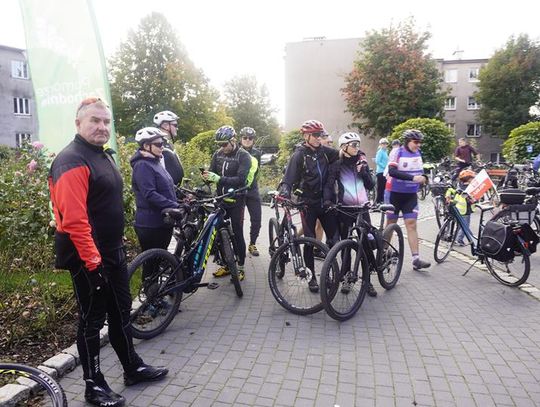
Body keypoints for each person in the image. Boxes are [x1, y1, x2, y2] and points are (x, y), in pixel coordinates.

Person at [48, 98, 168, 407]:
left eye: (106, 122)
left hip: (110, 252)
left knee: (120, 312)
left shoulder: (101, 155)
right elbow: (74, 220)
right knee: (92, 320)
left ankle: (132, 366)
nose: (102, 127)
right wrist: (93, 263)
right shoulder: (71, 160)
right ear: (78, 124)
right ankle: (93, 385)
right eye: (94, 121)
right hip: (88, 257)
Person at [280, 119, 339, 293]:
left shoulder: (326, 153)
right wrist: (285, 192)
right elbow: (289, 178)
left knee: (333, 240)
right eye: (314, 135)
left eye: (320, 134)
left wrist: (361, 159)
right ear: (306, 136)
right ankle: (312, 275)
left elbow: (343, 155)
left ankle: (329, 273)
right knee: (310, 240)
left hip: (325, 201)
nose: (318, 138)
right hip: (307, 203)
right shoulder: (299, 154)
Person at [325, 132, 377, 297]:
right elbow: (328, 185)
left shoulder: (361, 163)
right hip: (345, 209)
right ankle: (347, 277)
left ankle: (367, 281)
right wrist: (327, 201)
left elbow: (370, 185)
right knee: (345, 245)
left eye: (358, 144)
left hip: (362, 209)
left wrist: (364, 173)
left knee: (366, 245)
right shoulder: (337, 165)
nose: (356, 148)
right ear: (344, 147)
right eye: (353, 145)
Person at [202, 125, 254, 281]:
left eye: (224, 144)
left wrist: (218, 179)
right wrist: (207, 177)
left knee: (237, 232)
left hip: (237, 200)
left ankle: (241, 267)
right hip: (221, 199)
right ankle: (226, 264)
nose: (222, 147)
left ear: (233, 140)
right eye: (219, 144)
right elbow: (212, 173)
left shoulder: (243, 156)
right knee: (218, 233)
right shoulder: (217, 154)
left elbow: (241, 179)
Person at [131, 127, 180, 283]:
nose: (162, 147)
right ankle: (149, 300)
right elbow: (149, 194)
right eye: (159, 144)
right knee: (151, 264)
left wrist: (181, 200)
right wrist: (174, 205)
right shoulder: (143, 165)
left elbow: (167, 188)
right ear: (146, 146)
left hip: (161, 222)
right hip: (150, 224)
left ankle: (156, 295)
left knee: (159, 261)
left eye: (163, 143)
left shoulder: (154, 162)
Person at [385, 129, 431, 271]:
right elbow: (392, 171)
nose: (418, 145)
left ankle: (416, 259)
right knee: (391, 223)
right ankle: (383, 251)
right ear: (407, 141)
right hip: (394, 193)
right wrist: (412, 178)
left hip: (410, 195)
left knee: (411, 224)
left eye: (419, 142)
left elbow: (419, 171)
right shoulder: (397, 152)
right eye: (415, 142)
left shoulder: (418, 153)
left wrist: (424, 177)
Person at [239, 126, 262, 257]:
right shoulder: (236, 152)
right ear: (240, 139)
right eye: (245, 138)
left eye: (250, 138)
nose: (247, 140)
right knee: (239, 220)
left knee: (257, 219)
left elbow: (257, 171)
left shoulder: (257, 153)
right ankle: (239, 244)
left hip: (252, 190)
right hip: (239, 191)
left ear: (254, 140)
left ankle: (252, 243)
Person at [445, 169, 476, 246]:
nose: (473, 179)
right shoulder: (469, 188)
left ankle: (452, 238)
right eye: (472, 178)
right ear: (469, 179)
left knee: (458, 225)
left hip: (457, 208)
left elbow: (450, 190)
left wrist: (447, 196)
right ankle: (459, 240)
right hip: (465, 210)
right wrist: (474, 200)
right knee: (464, 226)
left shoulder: (459, 185)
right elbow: (469, 199)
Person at [153, 110, 184, 186]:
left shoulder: (167, 143)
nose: (177, 128)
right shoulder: (158, 145)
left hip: (176, 191)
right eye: (175, 125)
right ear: (166, 126)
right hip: (167, 192)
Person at [375, 138, 389, 204]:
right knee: (380, 187)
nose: (385, 145)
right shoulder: (380, 151)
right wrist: (384, 166)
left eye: (386, 144)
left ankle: (382, 200)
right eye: (383, 144)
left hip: (385, 172)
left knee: (384, 187)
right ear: (380, 145)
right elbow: (377, 161)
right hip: (380, 171)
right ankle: (378, 201)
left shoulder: (385, 152)